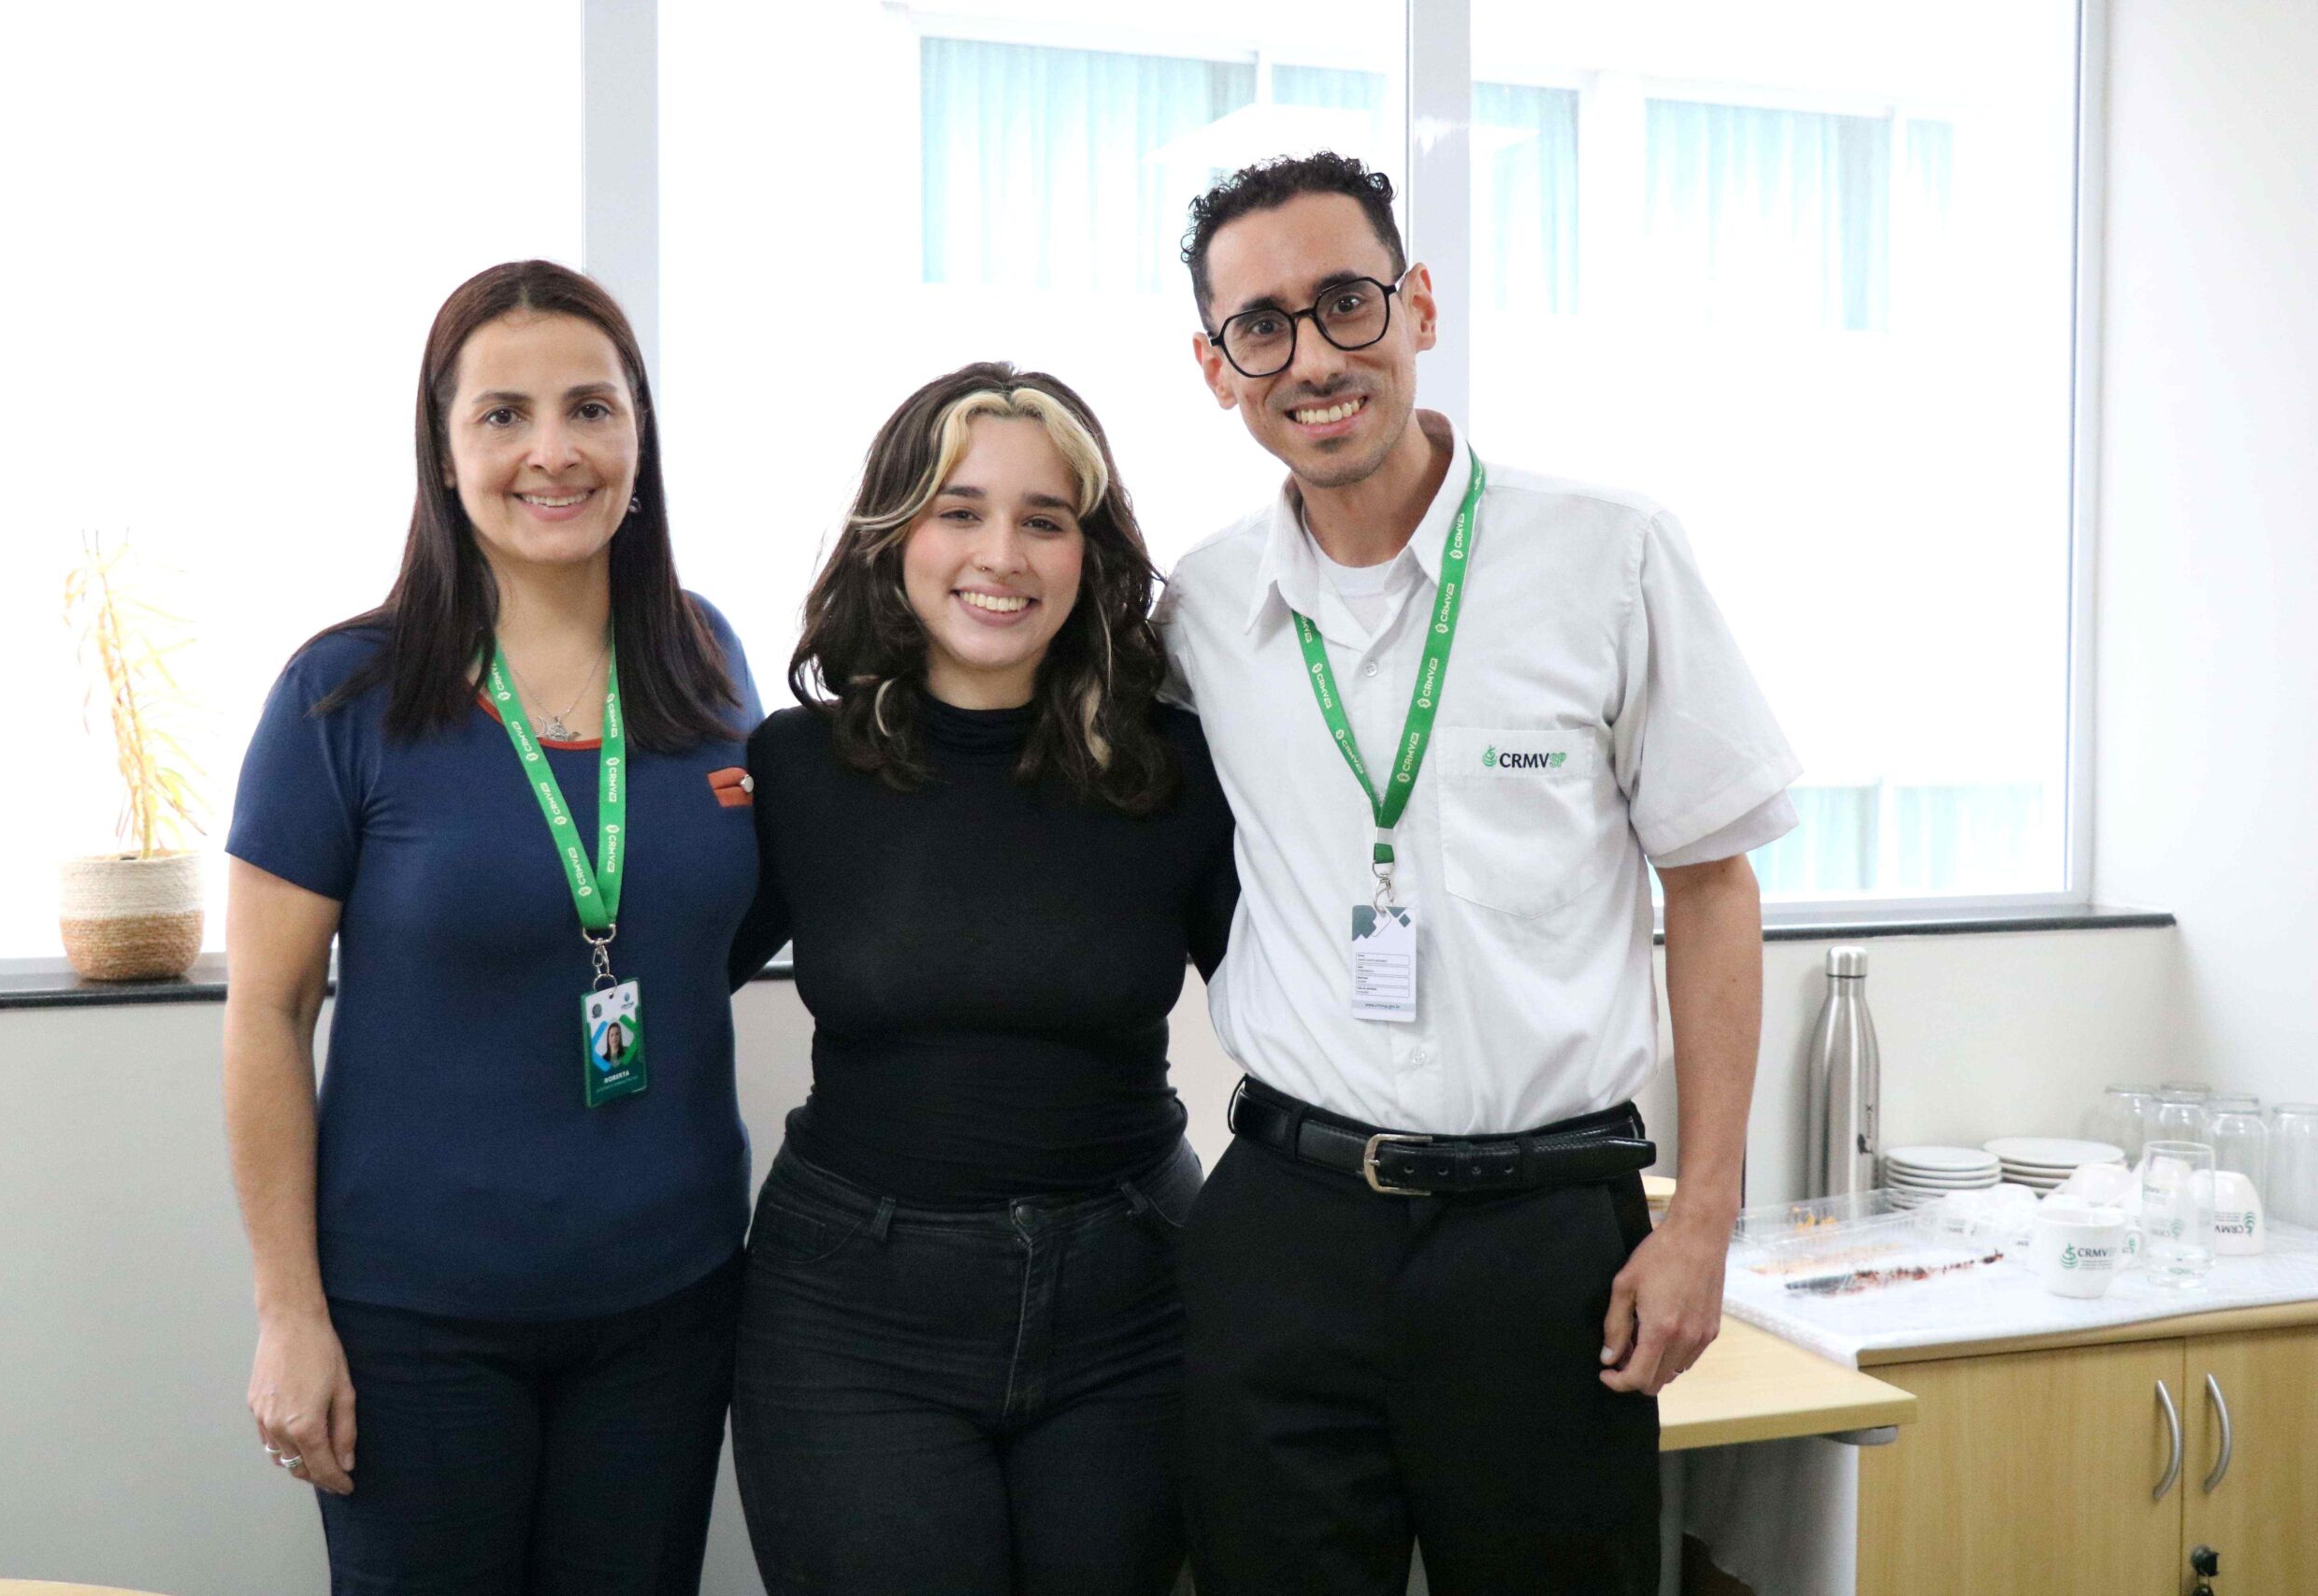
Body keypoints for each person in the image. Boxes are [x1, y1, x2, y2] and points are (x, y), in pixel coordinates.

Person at [1156, 153, 1799, 1595]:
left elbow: (1710, 889)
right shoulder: (1200, 610)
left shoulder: (1607, 557)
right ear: (1217, 369)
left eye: (1346, 302)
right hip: (1286, 1227)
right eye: (1264, 326)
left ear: (1420, 304)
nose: (1313, 356)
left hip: (1541, 1242)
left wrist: (1704, 1219)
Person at [223, 259, 759, 1593]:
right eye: (503, 415)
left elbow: (706, 933)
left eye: (591, 407)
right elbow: (267, 1015)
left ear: (640, 432)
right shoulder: (341, 694)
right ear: (445, 450)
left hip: (671, 1305)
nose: (554, 452)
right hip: (419, 1327)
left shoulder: (707, 660)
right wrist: (290, 1315)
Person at [725, 362, 1237, 1596]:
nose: (999, 554)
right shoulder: (794, 767)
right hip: (854, 1319)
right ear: (895, 535)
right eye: (959, 511)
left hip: (1135, 1308)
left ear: (1088, 554)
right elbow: (647, 968)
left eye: (1043, 519)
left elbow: (1313, 1006)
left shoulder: (1179, 762)